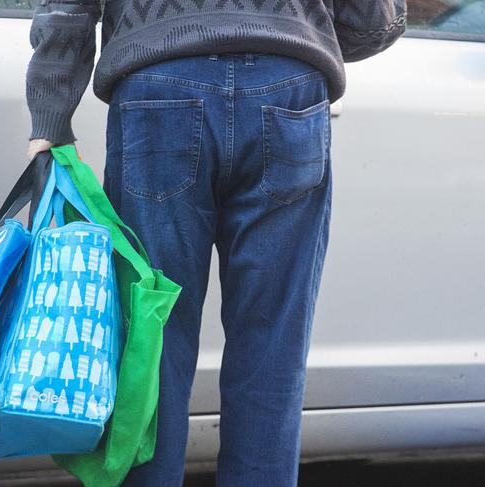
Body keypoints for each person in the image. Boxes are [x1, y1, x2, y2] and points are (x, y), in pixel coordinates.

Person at [25, 1, 406, 486]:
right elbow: (371, 20)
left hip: (158, 78)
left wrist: (51, 114)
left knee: (151, 338)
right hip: (289, 86)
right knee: (272, 349)